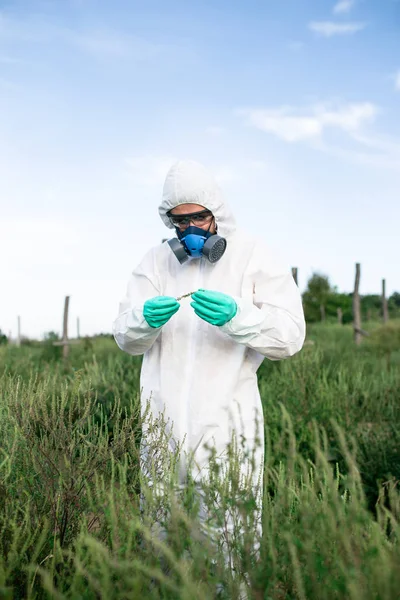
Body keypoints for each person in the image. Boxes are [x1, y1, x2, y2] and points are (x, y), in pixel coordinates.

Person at [113, 159, 305, 541]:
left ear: (216, 213)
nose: (189, 230)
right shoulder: (156, 262)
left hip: (227, 430)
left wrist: (241, 317)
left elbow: (290, 337)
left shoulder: (253, 255)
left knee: (229, 537)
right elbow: (125, 338)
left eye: (198, 218)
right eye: (179, 221)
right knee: (161, 534)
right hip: (161, 430)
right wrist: (143, 320)